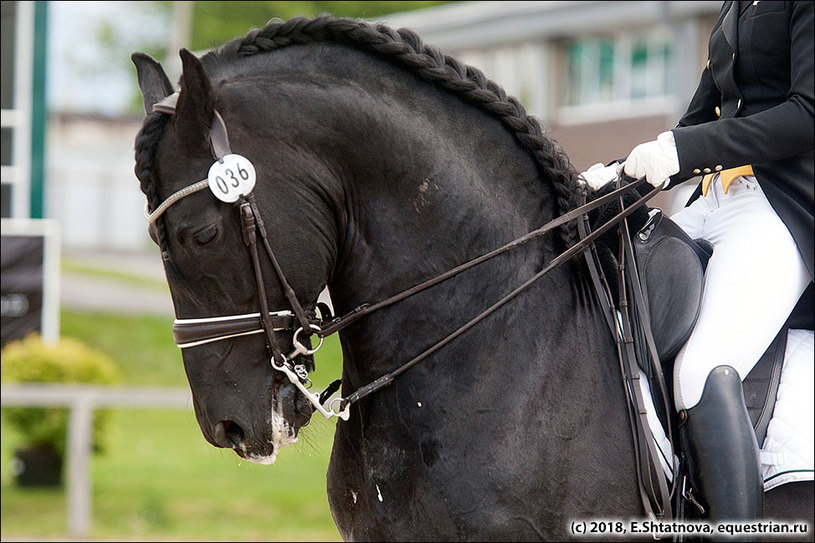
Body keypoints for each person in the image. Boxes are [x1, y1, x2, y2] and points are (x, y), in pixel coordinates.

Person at [580, 0, 813, 521]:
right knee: (611, 316)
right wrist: (620, 177)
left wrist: (682, 150)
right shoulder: (735, 6)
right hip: (712, 200)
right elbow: (695, 125)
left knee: (703, 370)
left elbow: (808, 114)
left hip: (782, 204)